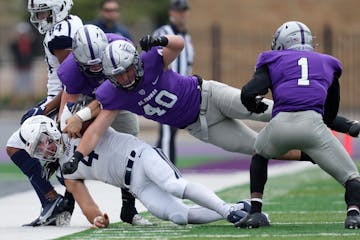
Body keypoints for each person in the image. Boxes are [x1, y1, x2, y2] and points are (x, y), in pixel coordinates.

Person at [62, 33, 360, 175]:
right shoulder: (114, 93)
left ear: (135, 62)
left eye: (127, 69)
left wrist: (160, 39)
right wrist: (78, 156)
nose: (125, 76)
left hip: (210, 95)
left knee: (277, 111)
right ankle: (317, 156)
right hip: (199, 126)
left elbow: (176, 44)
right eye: (117, 74)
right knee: (258, 148)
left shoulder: (151, 61)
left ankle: (343, 124)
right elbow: (97, 130)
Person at [19, 113, 251, 228]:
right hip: (135, 185)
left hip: (140, 157)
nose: (45, 148)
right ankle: (240, 209)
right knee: (179, 216)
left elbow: (101, 105)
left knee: (174, 185)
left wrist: (81, 116)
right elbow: (87, 205)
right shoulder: (65, 172)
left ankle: (228, 211)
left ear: (50, 128)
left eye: (43, 140)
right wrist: (98, 219)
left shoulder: (75, 126)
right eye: (38, 148)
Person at [236, 21, 360, 229]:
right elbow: (328, 115)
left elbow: (248, 93)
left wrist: (254, 107)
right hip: (314, 127)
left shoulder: (273, 59)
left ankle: (255, 211)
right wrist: (348, 126)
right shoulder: (328, 64)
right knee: (351, 177)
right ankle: (354, 215)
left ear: (283, 43)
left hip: (280, 126)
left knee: (259, 153)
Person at [57, 24, 150, 225]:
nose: (97, 69)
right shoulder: (70, 70)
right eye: (91, 67)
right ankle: (69, 198)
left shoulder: (120, 47)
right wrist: (68, 122)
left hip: (119, 94)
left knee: (131, 147)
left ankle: (129, 207)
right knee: (71, 146)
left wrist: (83, 115)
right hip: (86, 99)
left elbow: (122, 87)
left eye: (100, 63)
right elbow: (70, 103)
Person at [5, 0, 83, 226]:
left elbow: (73, 82)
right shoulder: (72, 22)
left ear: (58, 8)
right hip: (65, 99)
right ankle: (56, 202)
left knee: (16, 146)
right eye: (37, 14)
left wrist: (46, 109)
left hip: (67, 102)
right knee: (55, 154)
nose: (40, 19)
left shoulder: (59, 35)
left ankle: (55, 202)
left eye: (44, 13)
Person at [153, 0, 194, 164]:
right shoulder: (162, 32)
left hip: (181, 91)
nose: (182, 15)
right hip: (165, 90)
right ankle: (169, 173)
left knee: (171, 132)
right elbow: (153, 60)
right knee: (167, 132)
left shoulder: (187, 37)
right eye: (178, 11)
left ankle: (153, 167)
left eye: (184, 11)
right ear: (171, 12)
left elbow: (188, 65)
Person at [9, 22, 36, 103]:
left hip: (28, 67)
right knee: (17, 86)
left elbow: (35, 43)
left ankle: (31, 102)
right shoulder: (15, 44)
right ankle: (14, 103)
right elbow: (13, 48)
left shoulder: (30, 43)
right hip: (19, 68)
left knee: (30, 86)